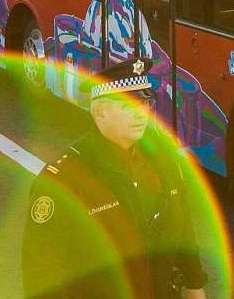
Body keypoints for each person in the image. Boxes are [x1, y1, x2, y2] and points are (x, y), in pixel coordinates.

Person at [22, 57, 209, 299]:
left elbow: (182, 223)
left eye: (146, 103)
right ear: (100, 113)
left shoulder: (163, 157)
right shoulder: (65, 179)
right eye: (129, 106)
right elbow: (42, 274)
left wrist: (195, 283)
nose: (141, 114)